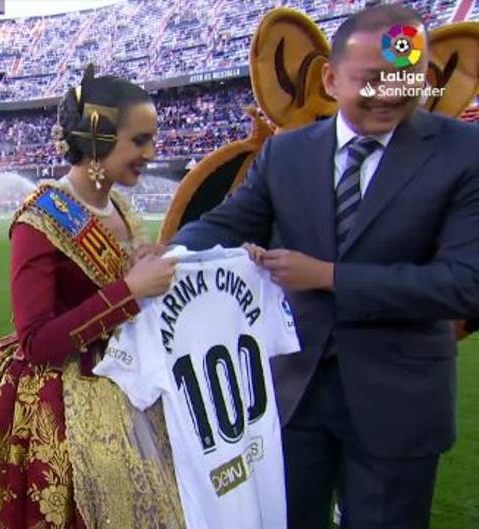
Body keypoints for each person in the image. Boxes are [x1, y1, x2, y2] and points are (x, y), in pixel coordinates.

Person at [169, 5, 479, 528]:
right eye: (372, 79)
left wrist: (329, 277)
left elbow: (465, 284)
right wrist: (173, 256)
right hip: (291, 395)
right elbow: (226, 223)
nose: (391, 91)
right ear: (331, 80)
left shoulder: (464, 152)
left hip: (398, 402)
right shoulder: (285, 153)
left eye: (406, 77)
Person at [0, 66, 184, 528]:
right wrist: (130, 290)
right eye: (139, 141)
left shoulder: (122, 210)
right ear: (98, 140)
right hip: (54, 401)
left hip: (129, 378)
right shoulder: (38, 219)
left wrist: (137, 269)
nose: (151, 153)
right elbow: (36, 341)